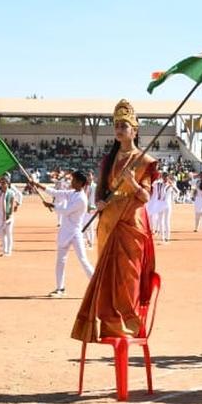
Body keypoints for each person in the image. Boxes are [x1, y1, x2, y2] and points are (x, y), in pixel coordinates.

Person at [72, 100, 159, 342]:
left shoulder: (145, 161)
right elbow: (101, 190)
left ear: (135, 129)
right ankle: (109, 323)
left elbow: (145, 197)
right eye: (116, 125)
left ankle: (128, 323)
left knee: (128, 276)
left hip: (131, 224)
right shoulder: (108, 160)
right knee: (108, 275)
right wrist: (99, 202)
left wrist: (131, 183)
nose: (119, 129)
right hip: (109, 222)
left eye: (124, 125)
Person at [29, 170, 95, 297]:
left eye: (74, 180)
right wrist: (37, 185)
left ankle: (96, 285)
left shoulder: (81, 199)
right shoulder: (72, 193)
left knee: (83, 260)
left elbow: (66, 211)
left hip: (75, 233)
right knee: (61, 261)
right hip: (65, 232)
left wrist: (51, 205)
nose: (71, 182)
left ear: (80, 183)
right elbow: (55, 192)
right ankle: (60, 288)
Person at [0, 175, 22, 256]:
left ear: (7, 183)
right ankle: (4, 250)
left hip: (8, 216)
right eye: (1, 183)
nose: (2, 184)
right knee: (1, 234)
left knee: (8, 233)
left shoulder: (11, 193)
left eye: (4, 183)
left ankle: (8, 251)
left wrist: (10, 215)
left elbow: (12, 205)